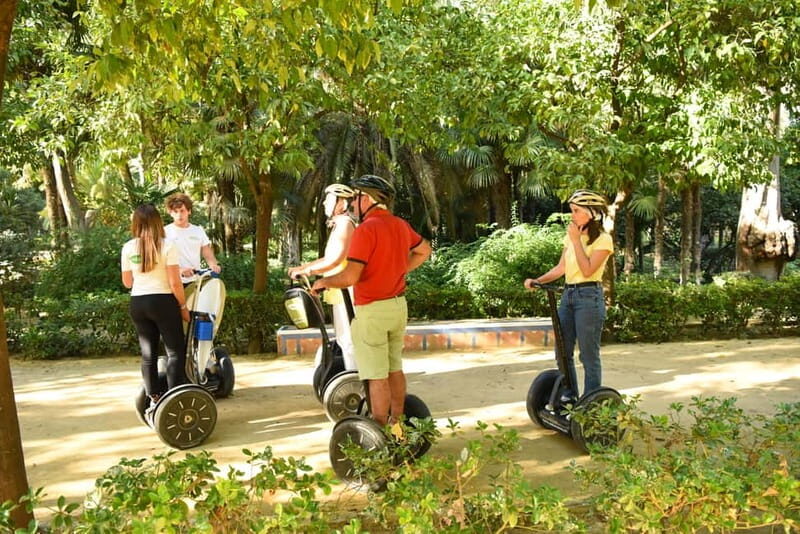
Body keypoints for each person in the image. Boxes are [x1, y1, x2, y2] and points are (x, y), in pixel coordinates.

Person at [311, 175, 431, 429]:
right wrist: (399, 270)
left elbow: (349, 276)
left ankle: (379, 431)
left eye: (355, 198)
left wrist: (324, 282)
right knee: (394, 369)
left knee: (376, 376)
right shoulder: (400, 225)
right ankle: (397, 426)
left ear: (367, 198)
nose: (353, 204)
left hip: (372, 310)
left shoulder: (366, 229)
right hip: (398, 306)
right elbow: (424, 250)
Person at [523, 189, 613, 396]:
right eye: (572, 211)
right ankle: (569, 396)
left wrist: (575, 241)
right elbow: (561, 268)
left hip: (589, 296)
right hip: (568, 295)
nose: (572, 216)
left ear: (592, 213)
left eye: (576, 211)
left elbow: (588, 269)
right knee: (562, 352)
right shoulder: (571, 236)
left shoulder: (603, 240)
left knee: (588, 355)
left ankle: (591, 401)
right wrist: (537, 281)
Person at [121, 204, 190, 410]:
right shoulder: (167, 246)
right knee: (175, 351)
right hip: (163, 301)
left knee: (148, 354)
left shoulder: (128, 247)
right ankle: (174, 396)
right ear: (158, 222)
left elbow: (127, 283)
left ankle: (155, 397)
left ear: (136, 223)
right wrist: (183, 306)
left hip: (138, 303)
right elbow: (175, 283)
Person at [288, 183, 358, 369]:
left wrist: (308, 271)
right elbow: (328, 258)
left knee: (349, 339)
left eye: (329, 199)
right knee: (344, 338)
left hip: (349, 290)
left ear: (342, 203)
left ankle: (356, 380)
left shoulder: (345, 224)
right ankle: (353, 376)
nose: (325, 203)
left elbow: (335, 260)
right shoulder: (339, 225)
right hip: (340, 290)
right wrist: (304, 267)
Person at [164, 193, 221, 285]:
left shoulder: (198, 230)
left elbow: (207, 253)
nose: (179, 215)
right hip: (172, 283)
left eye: (182, 211)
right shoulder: (164, 232)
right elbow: (160, 259)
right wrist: (180, 270)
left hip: (195, 281)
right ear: (170, 213)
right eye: (175, 211)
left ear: (189, 211)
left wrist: (214, 265)